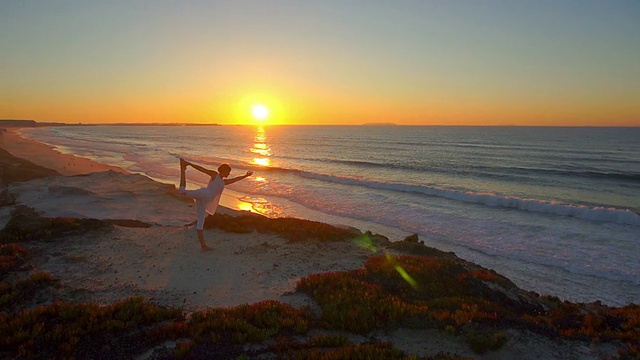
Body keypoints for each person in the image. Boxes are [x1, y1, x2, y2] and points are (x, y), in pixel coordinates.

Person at [178, 158, 252, 251]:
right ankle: (182, 167)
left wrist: (245, 176)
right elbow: (202, 169)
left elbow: (235, 179)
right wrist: (189, 164)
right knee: (181, 192)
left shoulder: (224, 182)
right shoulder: (214, 175)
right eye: (228, 172)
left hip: (205, 200)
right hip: (205, 194)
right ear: (223, 170)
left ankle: (203, 246)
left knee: (200, 222)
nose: (229, 174)